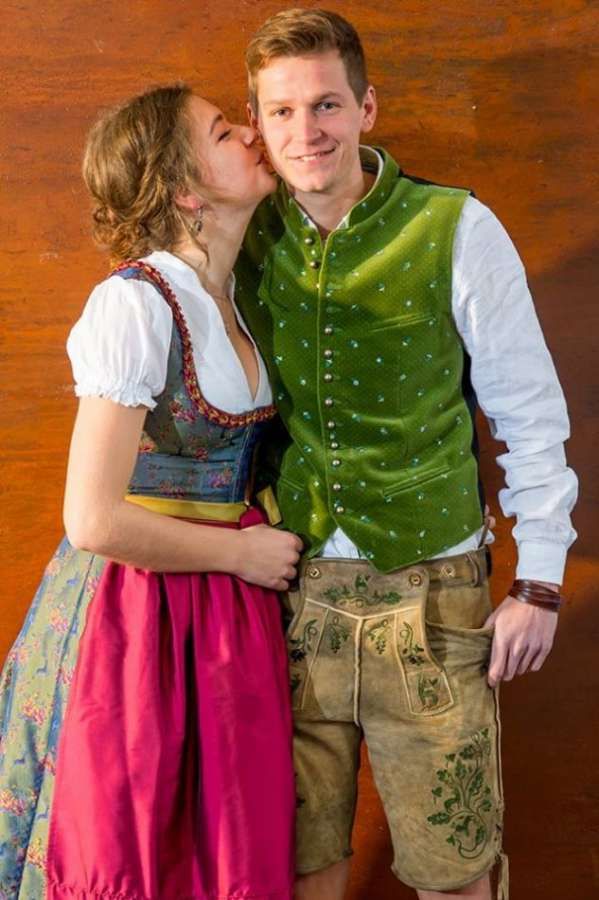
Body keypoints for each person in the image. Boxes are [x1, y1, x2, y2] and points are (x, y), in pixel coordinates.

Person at [234, 9, 578, 900]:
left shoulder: (454, 225)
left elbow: (527, 408)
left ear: (366, 108)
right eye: (281, 111)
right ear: (256, 122)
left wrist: (539, 580)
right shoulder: (242, 234)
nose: (306, 131)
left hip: (433, 591)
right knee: (295, 866)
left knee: (454, 872)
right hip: (288, 594)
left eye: (326, 104)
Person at [0, 84, 301, 900]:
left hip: (225, 619)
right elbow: (93, 518)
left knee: (226, 843)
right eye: (222, 131)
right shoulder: (134, 303)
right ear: (184, 191)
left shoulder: (234, 295)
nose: (251, 134)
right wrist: (239, 554)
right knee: (129, 846)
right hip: (137, 618)